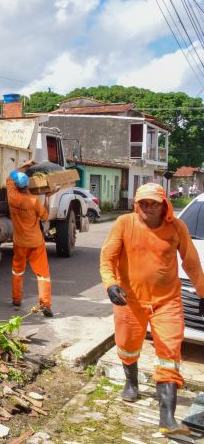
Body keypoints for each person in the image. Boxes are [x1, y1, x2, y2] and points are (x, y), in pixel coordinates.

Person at [100, 182, 204, 435]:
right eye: (143, 203)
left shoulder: (176, 227)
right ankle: (131, 382)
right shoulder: (125, 223)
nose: (148, 207)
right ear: (136, 204)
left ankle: (167, 418)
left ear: (163, 205)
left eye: (153, 203)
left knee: (170, 351)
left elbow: (191, 263)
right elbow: (108, 257)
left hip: (167, 301)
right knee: (127, 345)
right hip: (130, 301)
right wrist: (111, 284)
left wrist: (202, 292)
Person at [7, 160, 53, 317]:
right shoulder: (34, 201)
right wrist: (48, 197)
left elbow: (11, 175)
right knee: (43, 275)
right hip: (35, 243)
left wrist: (24, 164)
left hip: (19, 242)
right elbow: (45, 216)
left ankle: (16, 299)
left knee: (18, 271)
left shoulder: (12, 196)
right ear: (28, 186)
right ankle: (45, 304)